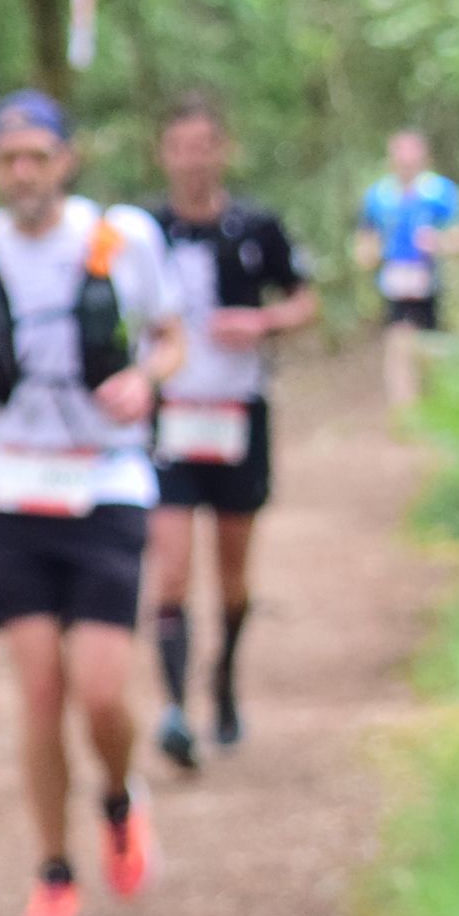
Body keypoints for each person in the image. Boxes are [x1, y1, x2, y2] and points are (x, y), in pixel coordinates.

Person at [0, 92, 185, 916]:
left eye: (38, 156)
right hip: (12, 488)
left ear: (66, 160)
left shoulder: (120, 237)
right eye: (9, 159)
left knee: (100, 693)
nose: (24, 172)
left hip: (106, 483)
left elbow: (171, 337)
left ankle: (118, 798)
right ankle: (53, 869)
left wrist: (146, 379)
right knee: (38, 691)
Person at [144, 95, 316, 766]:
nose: (192, 160)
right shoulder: (143, 231)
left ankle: (224, 681)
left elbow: (305, 300)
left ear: (223, 150)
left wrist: (262, 323)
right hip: (169, 418)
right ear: (164, 154)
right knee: (171, 572)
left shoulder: (257, 227)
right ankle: (174, 709)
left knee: (233, 576)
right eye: (180, 147)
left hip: (239, 414)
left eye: (204, 146)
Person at [353, 127, 459, 413]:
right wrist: (369, 254)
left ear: (423, 157)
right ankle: (404, 411)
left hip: (429, 278)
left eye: (411, 156)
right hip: (394, 280)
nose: (406, 162)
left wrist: (438, 242)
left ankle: (434, 405)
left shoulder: (439, 192)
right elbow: (365, 239)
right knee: (399, 341)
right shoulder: (379, 195)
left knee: (430, 344)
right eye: (400, 156)